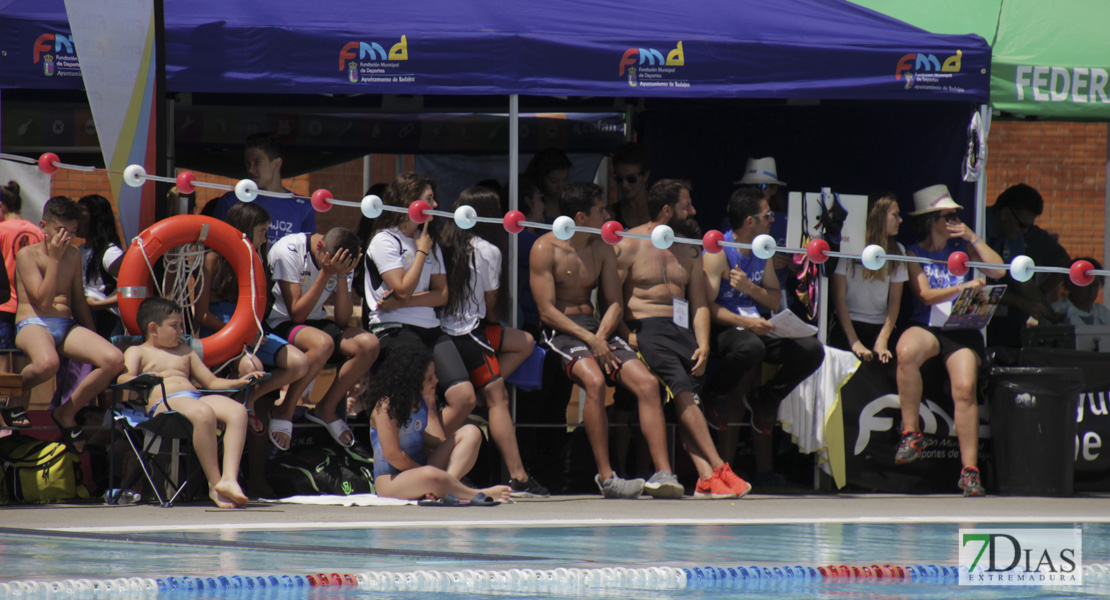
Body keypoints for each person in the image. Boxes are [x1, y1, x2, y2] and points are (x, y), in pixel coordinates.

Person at [530, 182, 682, 499]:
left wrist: (600, 337)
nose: (608, 215)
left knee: (647, 384)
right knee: (595, 382)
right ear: (581, 216)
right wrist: (589, 339)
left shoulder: (602, 247)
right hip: (562, 330)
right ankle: (607, 477)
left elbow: (614, 302)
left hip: (595, 328)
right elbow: (545, 311)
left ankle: (664, 473)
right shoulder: (546, 248)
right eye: (601, 210)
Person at [616, 179, 752, 499]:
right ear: (667, 210)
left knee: (690, 397)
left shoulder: (690, 249)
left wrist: (704, 343)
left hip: (682, 333)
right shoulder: (629, 244)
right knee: (681, 388)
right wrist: (626, 334)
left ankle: (705, 477)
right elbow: (611, 300)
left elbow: (700, 304)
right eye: (686, 205)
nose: (694, 211)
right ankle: (719, 466)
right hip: (646, 329)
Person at [702, 186, 825, 483]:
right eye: (767, 215)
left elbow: (771, 299)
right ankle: (712, 394)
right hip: (726, 326)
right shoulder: (719, 251)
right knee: (752, 348)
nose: (773, 220)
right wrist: (746, 324)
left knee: (812, 350)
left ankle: (765, 398)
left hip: (755, 325)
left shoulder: (762, 247)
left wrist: (749, 289)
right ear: (749, 221)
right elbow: (706, 306)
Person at [894, 184, 1005, 497]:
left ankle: (970, 471)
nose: (955, 219)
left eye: (957, 214)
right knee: (906, 351)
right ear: (931, 220)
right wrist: (962, 288)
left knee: (965, 387)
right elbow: (925, 295)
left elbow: (997, 272)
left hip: (962, 328)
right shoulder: (913, 252)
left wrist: (973, 238)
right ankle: (911, 432)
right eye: (948, 215)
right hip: (929, 327)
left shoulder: (964, 249)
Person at [439, 186, 548, 498]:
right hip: (469, 333)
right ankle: (519, 475)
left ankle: (477, 389)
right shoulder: (489, 250)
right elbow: (490, 310)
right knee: (498, 398)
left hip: (442, 333)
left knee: (526, 341)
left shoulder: (441, 243)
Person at [120, 297, 262, 508]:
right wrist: (144, 378)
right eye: (174, 326)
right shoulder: (138, 351)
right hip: (165, 405)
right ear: (153, 328)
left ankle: (229, 479)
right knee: (203, 412)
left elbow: (211, 382)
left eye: (181, 325)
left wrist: (239, 381)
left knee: (237, 411)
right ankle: (214, 484)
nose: (180, 331)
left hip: (194, 399)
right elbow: (122, 378)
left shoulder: (185, 351)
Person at [364, 172, 477, 437]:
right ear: (410, 202)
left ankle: (426, 453)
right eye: (429, 199)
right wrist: (421, 252)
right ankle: (426, 460)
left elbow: (441, 295)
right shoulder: (385, 240)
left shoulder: (428, 240)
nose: (436, 205)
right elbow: (402, 288)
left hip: (431, 327)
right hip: (395, 329)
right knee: (426, 399)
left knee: (464, 397)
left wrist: (404, 300)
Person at [194, 202, 311, 450]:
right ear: (245, 229)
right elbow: (200, 314)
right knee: (252, 366)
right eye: (261, 231)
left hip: (252, 329)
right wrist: (242, 334)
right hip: (220, 329)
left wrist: (251, 333)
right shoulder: (212, 260)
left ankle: (245, 400)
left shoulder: (258, 259)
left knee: (299, 363)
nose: (265, 238)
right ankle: (242, 407)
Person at [13, 196, 125, 451]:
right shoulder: (27, 255)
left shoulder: (74, 255)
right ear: (43, 226)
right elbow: (42, 300)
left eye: (72, 232)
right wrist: (53, 259)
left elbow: (78, 299)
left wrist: (93, 335)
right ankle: (14, 396)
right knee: (47, 364)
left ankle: (67, 412)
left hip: (66, 324)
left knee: (113, 359)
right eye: (60, 231)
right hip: (34, 322)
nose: (67, 237)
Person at [267, 226, 380, 448]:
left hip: (316, 321)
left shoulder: (339, 260)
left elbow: (341, 319)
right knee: (323, 343)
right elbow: (297, 313)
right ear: (320, 247)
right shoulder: (288, 250)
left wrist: (342, 275)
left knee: (369, 344)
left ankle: (326, 407)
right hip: (280, 320)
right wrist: (327, 273)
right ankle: (286, 408)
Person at [368, 344, 512, 503]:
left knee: (472, 432)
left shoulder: (419, 400)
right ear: (411, 381)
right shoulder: (386, 407)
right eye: (429, 378)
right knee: (430, 475)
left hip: (421, 469)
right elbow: (393, 455)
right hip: (390, 480)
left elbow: (416, 435)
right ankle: (475, 493)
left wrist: (447, 445)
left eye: (435, 375)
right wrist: (425, 470)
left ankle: (447, 488)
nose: (436, 381)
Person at [984, 183, 1071, 346]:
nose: (1024, 231)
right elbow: (977, 286)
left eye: (1029, 227)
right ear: (1004, 213)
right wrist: (1019, 301)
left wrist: (1050, 315)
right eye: (1022, 225)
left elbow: (1023, 281)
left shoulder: (1014, 236)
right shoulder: (975, 225)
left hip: (1003, 322)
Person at [829, 193, 907, 362]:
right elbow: (838, 298)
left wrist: (883, 340)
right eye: (895, 215)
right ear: (878, 217)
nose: (900, 220)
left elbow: (894, 300)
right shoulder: (848, 248)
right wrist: (854, 342)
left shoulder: (898, 251)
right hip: (847, 324)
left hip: (880, 327)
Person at [210, 132, 316, 247]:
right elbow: (214, 251)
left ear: (277, 164)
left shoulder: (303, 207)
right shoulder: (231, 201)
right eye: (247, 163)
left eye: (257, 163)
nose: (250, 169)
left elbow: (307, 258)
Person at [0, 181, 44, 380]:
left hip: (4, 305)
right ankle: (16, 406)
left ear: (2, 206)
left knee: (2, 360)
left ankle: (2, 406)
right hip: (30, 307)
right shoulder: (37, 231)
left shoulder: (1, 230)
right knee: (22, 361)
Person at [76, 194, 126, 339]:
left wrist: (99, 304)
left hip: (106, 321)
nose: (77, 221)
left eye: (82, 217)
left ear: (97, 219)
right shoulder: (78, 251)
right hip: (83, 318)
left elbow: (130, 292)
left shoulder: (111, 253)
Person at [1048, 257, 1110, 327]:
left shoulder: (1103, 312)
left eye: (1095, 285)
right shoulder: (1055, 310)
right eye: (1085, 285)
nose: (1091, 291)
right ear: (1071, 284)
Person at [610, 142, 653, 228]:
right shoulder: (611, 214)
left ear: (645, 175)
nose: (624, 185)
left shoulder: (662, 209)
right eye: (619, 179)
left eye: (631, 179)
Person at [523, 148, 572, 222]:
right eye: (554, 181)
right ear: (540, 178)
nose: (560, 187)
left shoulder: (571, 203)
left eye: (565, 180)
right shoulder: (534, 207)